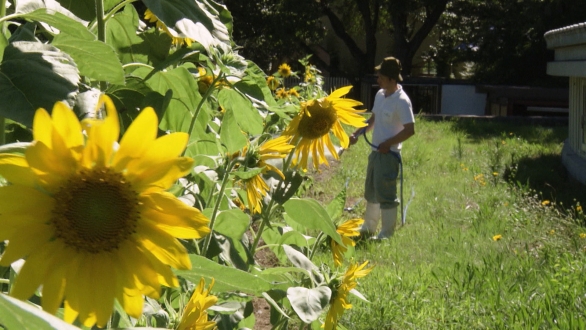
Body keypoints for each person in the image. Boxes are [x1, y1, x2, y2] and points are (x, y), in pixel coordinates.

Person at [348, 56, 415, 240]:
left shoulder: (402, 101)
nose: (378, 80)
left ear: (392, 79)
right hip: (376, 153)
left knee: (386, 194)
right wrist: (356, 134)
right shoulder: (379, 95)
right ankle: (368, 228)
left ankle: (386, 233)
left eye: (381, 77)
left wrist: (389, 143)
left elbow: (410, 130)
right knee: (371, 191)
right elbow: (372, 121)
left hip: (389, 155)